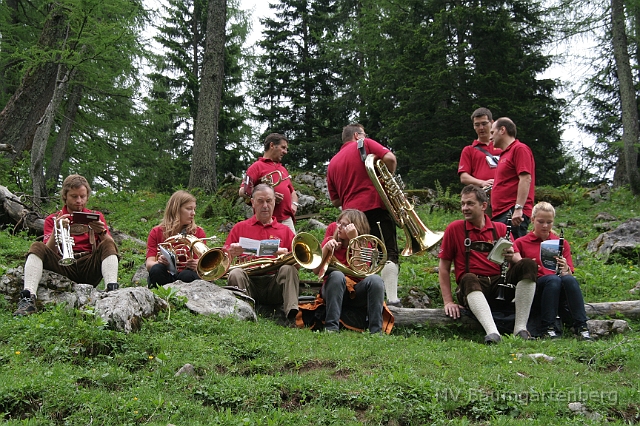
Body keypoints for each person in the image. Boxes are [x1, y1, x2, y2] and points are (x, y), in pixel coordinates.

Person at [438, 185, 537, 344]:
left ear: (484, 206)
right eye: (463, 204)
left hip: (500, 285)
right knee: (468, 277)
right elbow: (443, 268)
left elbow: (519, 260)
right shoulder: (454, 228)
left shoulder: (501, 228)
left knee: (528, 265)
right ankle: (492, 333)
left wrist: (512, 257)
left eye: (470, 204)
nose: (465, 208)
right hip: (471, 286)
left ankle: (520, 329)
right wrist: (448, 301)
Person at [14, 174, 120, 316]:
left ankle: (112, 292)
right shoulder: (53, 218)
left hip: (89, 266)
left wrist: (101, 232)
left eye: (82, 196)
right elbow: (48, 250)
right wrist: (56, 230)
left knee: (107, 243)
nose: (79, 201)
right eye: (74, 196)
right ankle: (28, 298)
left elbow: (111, 247)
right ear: (65, 196)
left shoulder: (97, 215)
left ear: (87, 196)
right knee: (36, 247)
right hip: (63, 266)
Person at [326, 123, 401, 307]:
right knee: (387, 253)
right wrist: (385, 179)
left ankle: (366, 298)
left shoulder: (333, 163)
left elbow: (335, 201)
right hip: (375, 207)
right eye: (364, 134)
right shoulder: (364, 143)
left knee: (364, 255)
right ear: (358, 135)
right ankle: (392, 300)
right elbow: (390, 158)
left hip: (351, 217)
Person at [513, 202, 591, 340]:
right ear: (532, 220)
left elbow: (569, 273)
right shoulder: (521, 242)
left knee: (569, 279)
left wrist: (565, 267)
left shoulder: (561, 243)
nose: (545, 226)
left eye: (549, 222)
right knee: (553, 280)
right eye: (541, 222)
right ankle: (548, 327)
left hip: (557, 284)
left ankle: (582, 326)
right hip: (536, 287)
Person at [225, 184, 299, 324]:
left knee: (289, 269)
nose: (265, 205)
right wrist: (231, 252)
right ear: (252, 202)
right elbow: (224, 258)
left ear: (274, 202)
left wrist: (285, 258)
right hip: (249, 282)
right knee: (235, 273)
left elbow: (297, 266)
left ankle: (291, 317)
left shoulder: (285, 231)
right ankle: (244, 316)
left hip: (274, 284)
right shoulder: (239, 227)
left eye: (269, 201)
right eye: (260, 201)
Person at [312, 209, 389, 333]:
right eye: (339, 223)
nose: (339, 227)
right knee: (336, 275)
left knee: (376, 280)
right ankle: (331, 327)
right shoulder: (330, 241)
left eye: (345, 225)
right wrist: (326, 248)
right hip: (334, 290)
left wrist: (355, 240)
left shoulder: (365, 244)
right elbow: (315, 270)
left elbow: (359, 270)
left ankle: (376, 331)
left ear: (355, 227)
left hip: (357, 292)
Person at [239, 133, 299, 234]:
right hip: (265, 220)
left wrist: (294, 205)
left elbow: (292, 192)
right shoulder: (256, 167)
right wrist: (268, 195)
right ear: (272, 145)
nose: (285, 152)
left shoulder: (283, 169)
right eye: (283, 147)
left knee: (292, 249)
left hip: (286, 220)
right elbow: (242, 191)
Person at [145, 190, 206, 288]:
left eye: (194, 209)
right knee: (156, 269)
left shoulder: (198, 232)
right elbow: (149, 264)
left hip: (188, 276)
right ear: (176, 209)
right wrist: (159, 262)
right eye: (189, 209)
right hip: (166, 275)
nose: (193, 213)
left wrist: (199, 265)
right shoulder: (156, 232)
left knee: (186, 275)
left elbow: (205, 264)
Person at [489, 117, 535, 240]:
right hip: (501, 214)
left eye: (492, 132)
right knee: (499, 255)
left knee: (511, 255)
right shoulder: (504, 154)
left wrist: (518, 208)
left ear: (502, 130)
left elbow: (525, 178)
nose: (490, 137)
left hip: (512, 214)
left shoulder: (519, 149)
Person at [458, 107, 501, 191]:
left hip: (505, 193)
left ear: (492, 123)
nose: (481, 128)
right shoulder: (469, 150)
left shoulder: (503, 145)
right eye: (477, 125)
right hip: (481, 194)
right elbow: (463, 177)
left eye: (484, 124)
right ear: (473, 126)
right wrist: (482, 183)